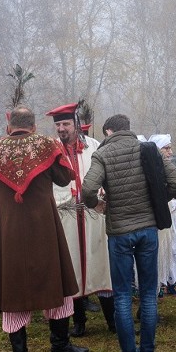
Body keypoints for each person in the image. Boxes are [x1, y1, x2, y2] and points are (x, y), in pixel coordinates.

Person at [0, 106, 88, 352]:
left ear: (9, 126)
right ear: (34, 126)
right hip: (43, 228)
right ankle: (60, 348)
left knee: (12, 286)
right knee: (55, 282)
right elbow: (64, 179)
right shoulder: (46, 146)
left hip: (9, 230)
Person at [81, 114, 176, 352]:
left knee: (123, 297)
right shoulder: (147, 149)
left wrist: (100, 206)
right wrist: (157, 203)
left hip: (120, 234)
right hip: (148, 231)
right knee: (149, 295)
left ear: (108, 131)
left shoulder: (103, 154)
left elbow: (88, 190)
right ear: (129, 129)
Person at [46, 103, 114, 337]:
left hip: (94, 215)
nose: (62, 129)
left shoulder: (93, 147)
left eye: (65, 124)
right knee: (71, 266)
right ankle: (79, 321)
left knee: (101, 265)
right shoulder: (51, 151)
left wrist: (102, 197)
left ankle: (112, 321)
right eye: (58, 125)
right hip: (65, 216)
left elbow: (105, 176)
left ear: (75, 124)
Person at [149, 133, 176, 295]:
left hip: (169, 217)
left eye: (170, 148)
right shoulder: (153, 170)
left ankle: (168, 283)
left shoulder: (167, 167)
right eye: (166, 148)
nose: (170, 152)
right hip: (158, 219)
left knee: (173, 249)